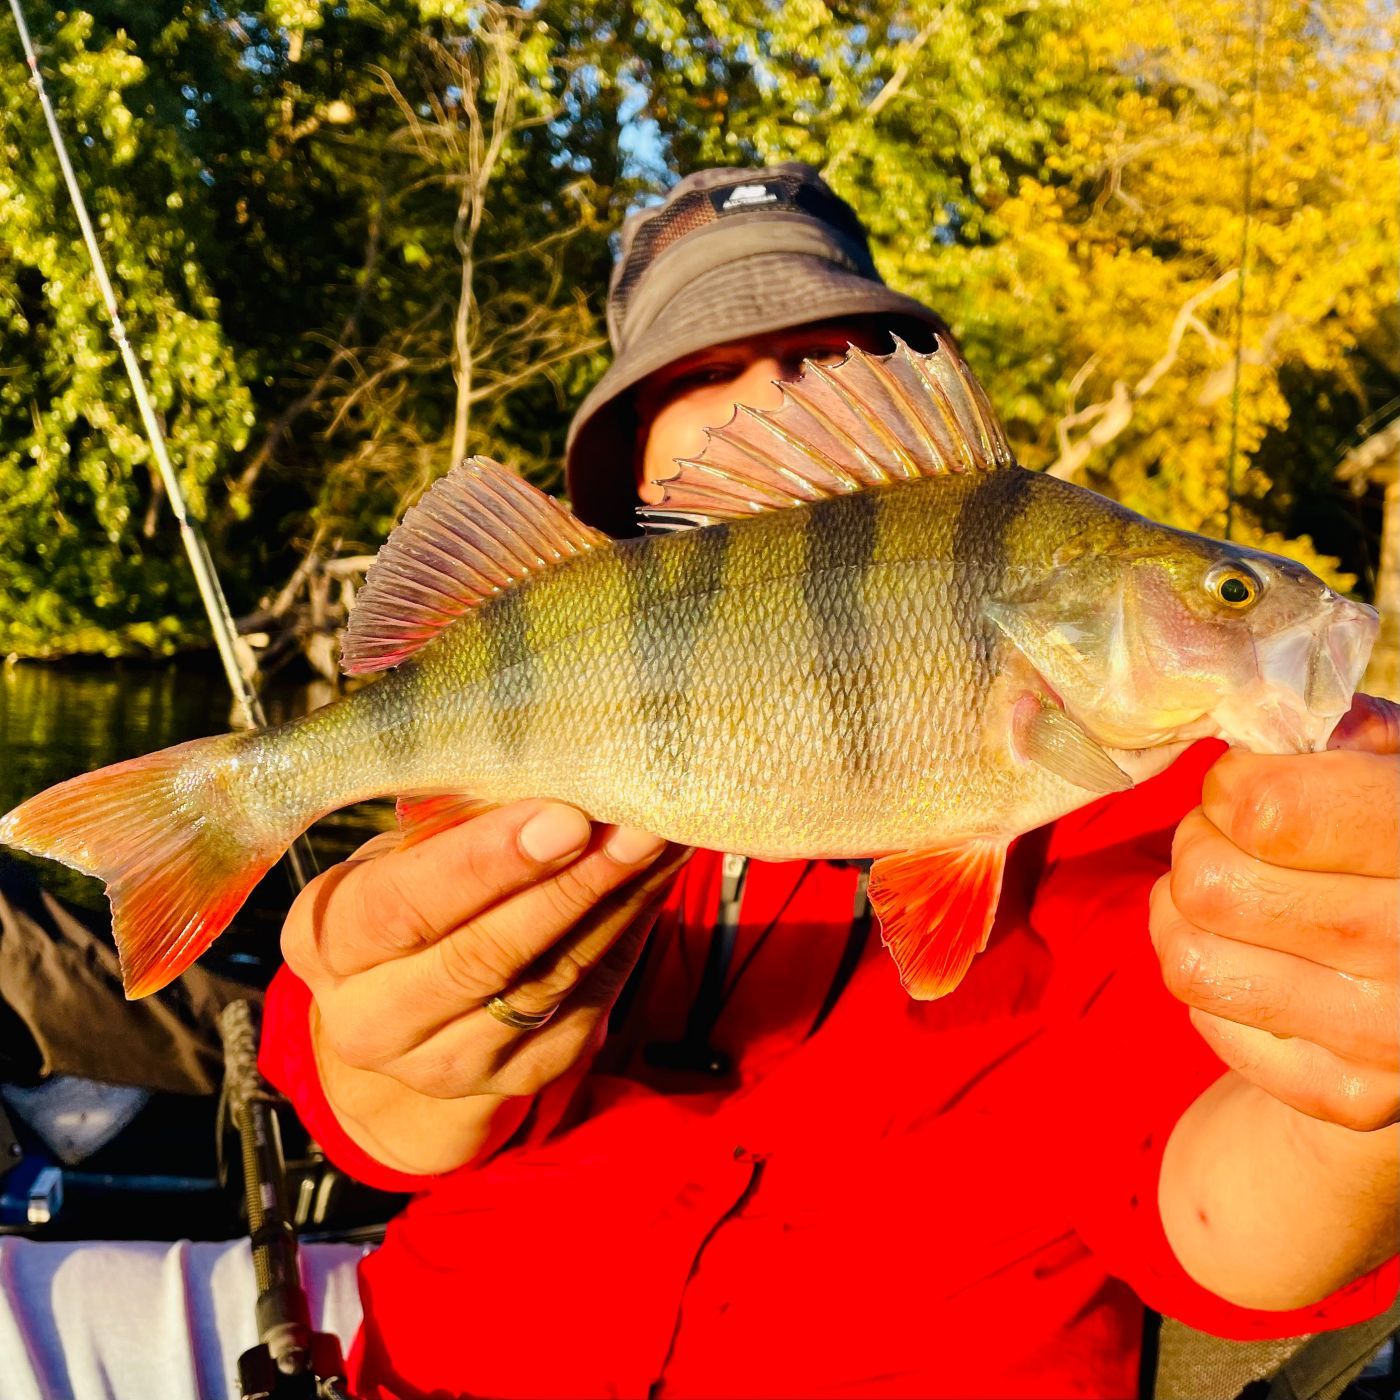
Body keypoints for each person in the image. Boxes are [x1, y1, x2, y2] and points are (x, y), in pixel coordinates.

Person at [259, 164, 1400, 1400]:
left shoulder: (1133, 829)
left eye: (830, 351)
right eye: (698, 374)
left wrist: (1357, 1094)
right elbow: (352, 1095)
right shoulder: (554, 705)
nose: (773, 393)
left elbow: (1220, 1205)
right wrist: (392, 1070)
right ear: (628, 468)